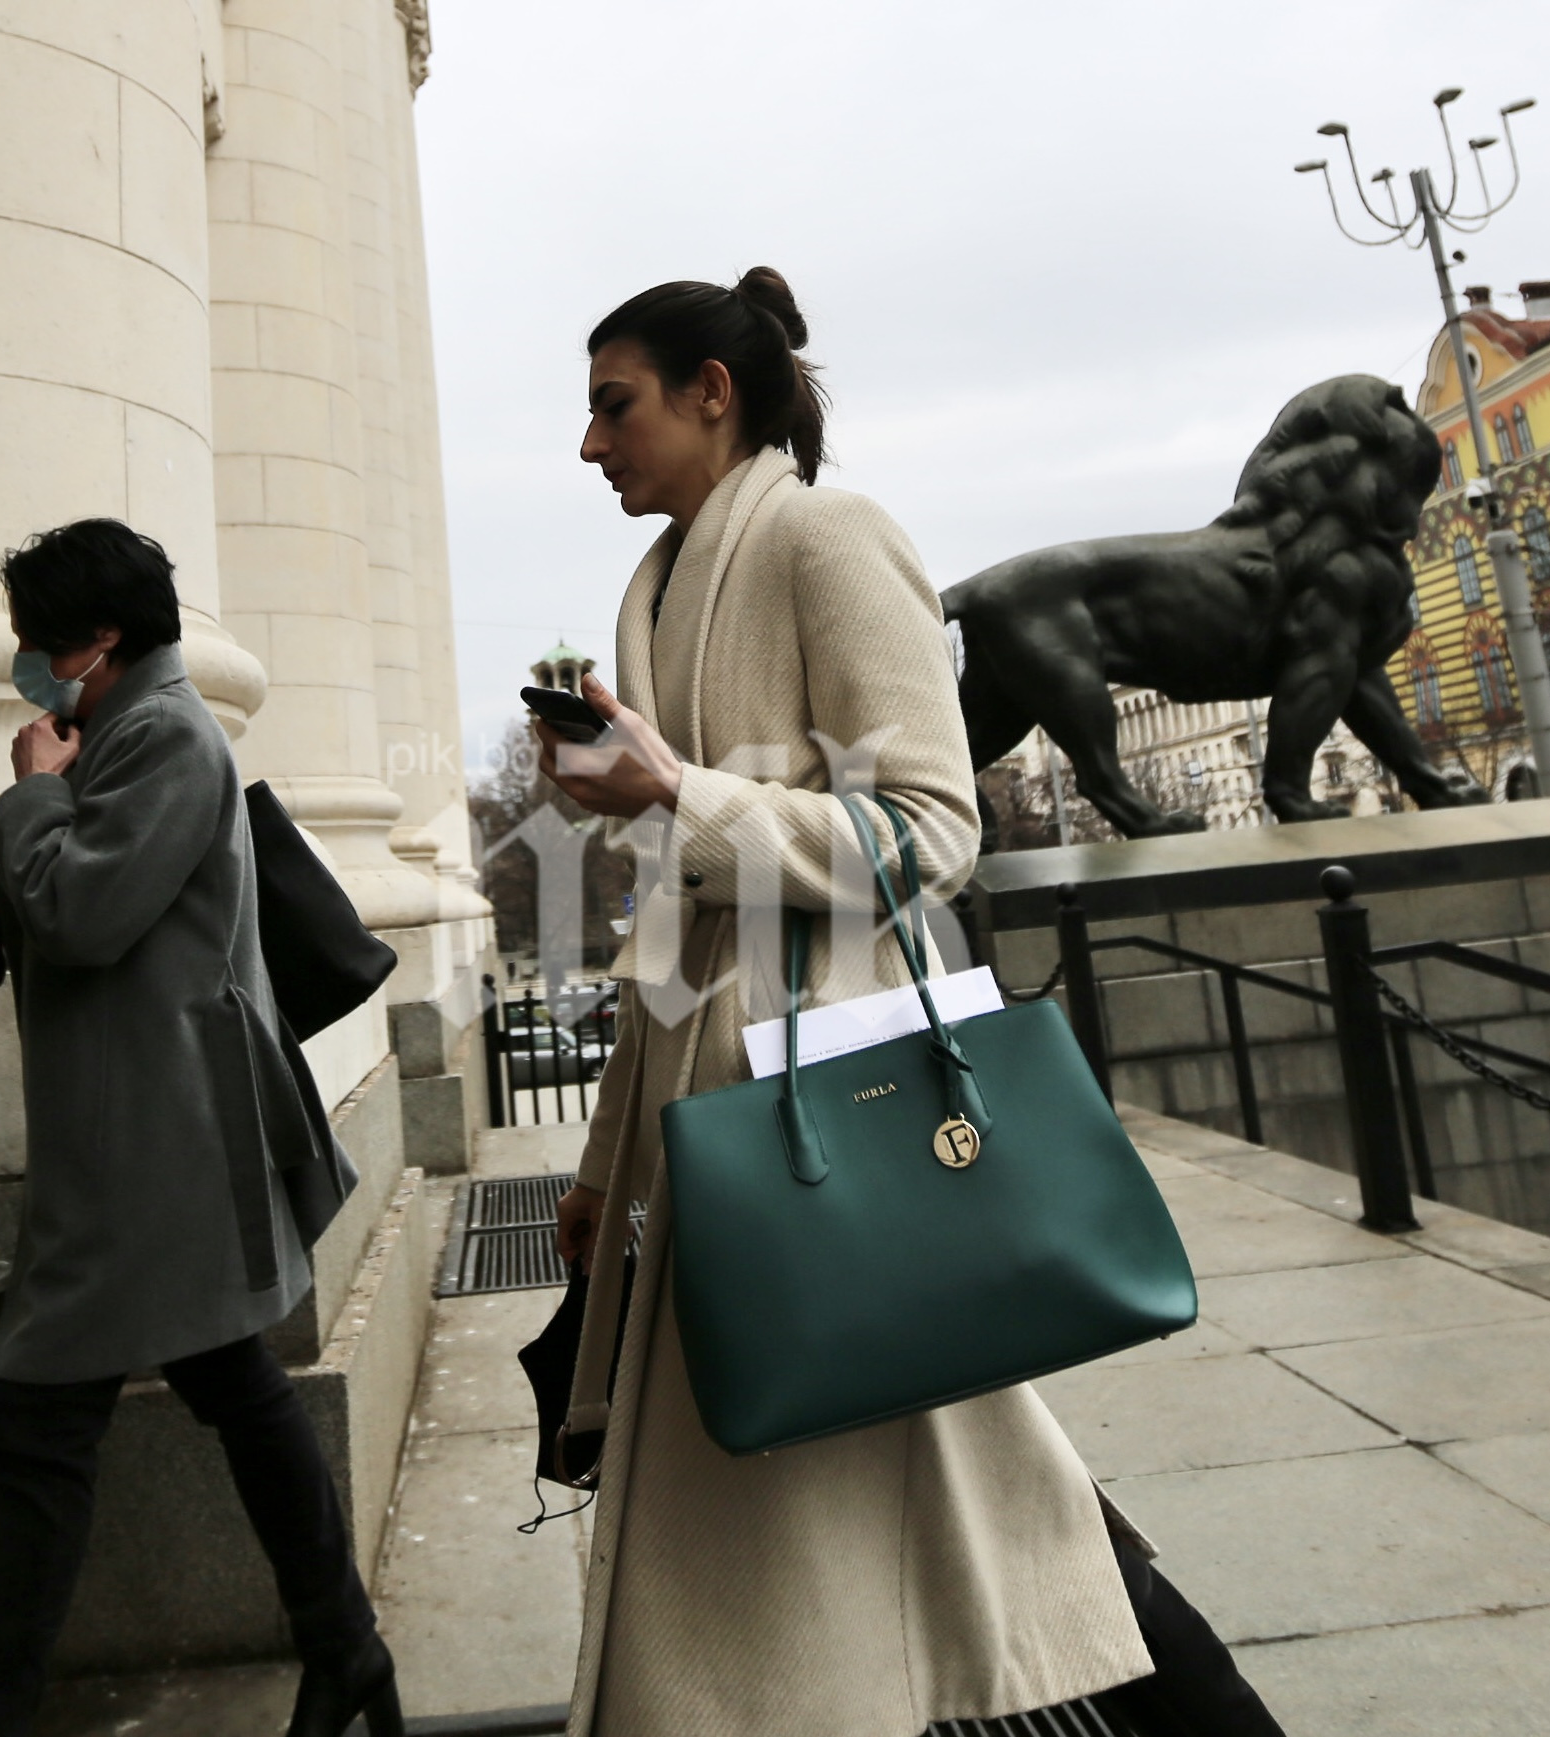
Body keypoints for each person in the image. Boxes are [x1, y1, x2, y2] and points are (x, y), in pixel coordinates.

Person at [539, 271, 1285, 1737]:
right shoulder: (659, 589)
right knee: (946, 1474)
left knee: (961, 1470)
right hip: (732, 1118)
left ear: (711, 392)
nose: (589, 443)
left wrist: (678, 792)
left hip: (830, 1101)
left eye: (613, 405)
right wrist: (603, 1164)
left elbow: (932, 833)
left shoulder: (826, 538)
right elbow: (679, 919)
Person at [0, 520, 401, 1737]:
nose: (32, 666)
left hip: (149, 1146)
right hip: (145, 1134)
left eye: (42, 641)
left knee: (45, 1422)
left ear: (100, 636)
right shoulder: (134, 731)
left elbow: (85, 912)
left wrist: (30, 798)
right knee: (230, 1387)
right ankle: (347, 1650)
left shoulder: (168, 735)